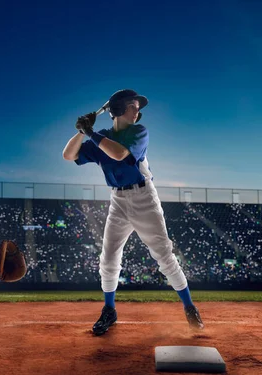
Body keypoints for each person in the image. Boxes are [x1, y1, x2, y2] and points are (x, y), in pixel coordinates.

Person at [62, 89, 204, 335]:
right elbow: (69, 155)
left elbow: (119, 154)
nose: (138, 111)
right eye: (132, 106)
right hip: (117, 200)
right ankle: (109, 310)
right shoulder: (101, 136)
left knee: (164, 256)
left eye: (138, 107)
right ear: (118, 110)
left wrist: (90, 132)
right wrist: (80, 132)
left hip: (144, 199)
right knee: (108, 258)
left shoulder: (139, 132)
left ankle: (190, 307)